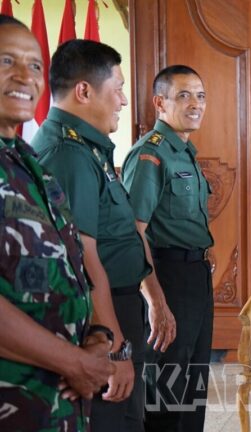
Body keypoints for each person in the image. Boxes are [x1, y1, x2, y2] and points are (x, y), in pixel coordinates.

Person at [32, 39, 161, 432]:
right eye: (117, 88)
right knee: (112, 418)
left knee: (127, 415)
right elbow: (83, 257)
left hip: (117, 307)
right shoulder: (68, 154)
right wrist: (115, 346)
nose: (123, 100)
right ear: (84, 91)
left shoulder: (86, 149)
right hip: (102, 317)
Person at [0, 16, 114, 430]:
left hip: (57, 408)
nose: (24, 76)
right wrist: (74, 362)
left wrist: (98, 336)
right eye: (6, 61)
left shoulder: (29, 162)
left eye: (34, 65)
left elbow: (72, 264)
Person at [122, 65, 213, 432]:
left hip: (194, 275)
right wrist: (156, 302)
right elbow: (133, 233)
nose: (196, 104)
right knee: (166, 388)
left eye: (201, 96)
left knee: (193, 382)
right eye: (184, 95)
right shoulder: (151, 155)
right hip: (166, 276)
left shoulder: (185, 151)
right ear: (160, 103)